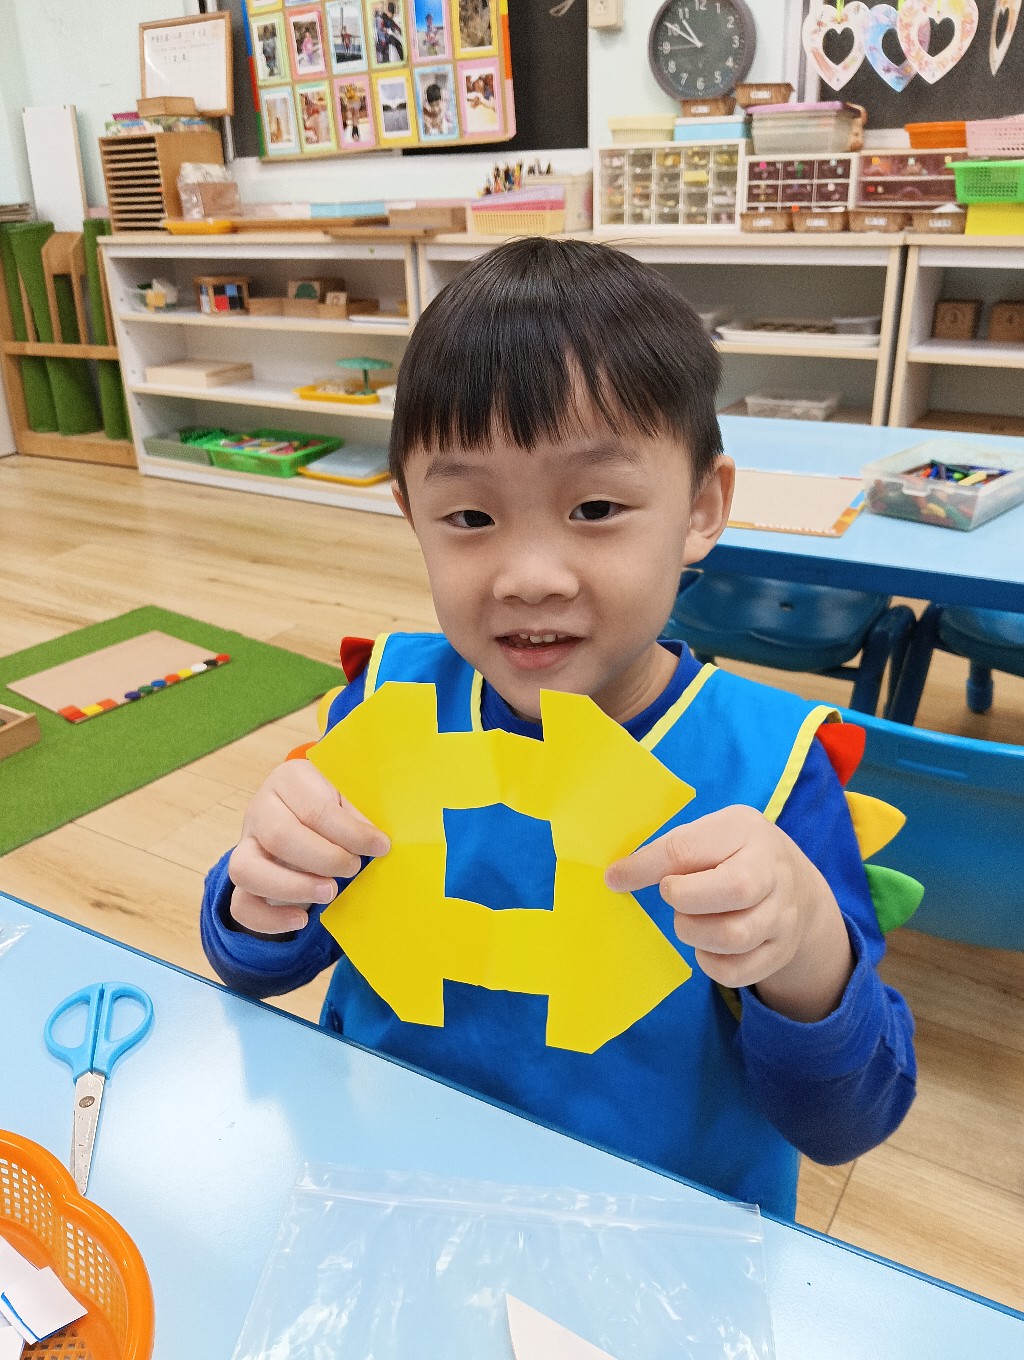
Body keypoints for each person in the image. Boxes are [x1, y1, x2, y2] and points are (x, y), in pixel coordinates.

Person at [201, 238, 917, 1220]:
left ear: (701, 508)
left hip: (654, 1245)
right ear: (410, 513)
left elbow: (846, 1122)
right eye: (469, 517)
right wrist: (259, 896)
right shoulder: (385, 706)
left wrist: (807, 957)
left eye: (595, 506)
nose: (529, 576)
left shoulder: (773, 773)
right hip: (389, 1200)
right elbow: (257, 965)